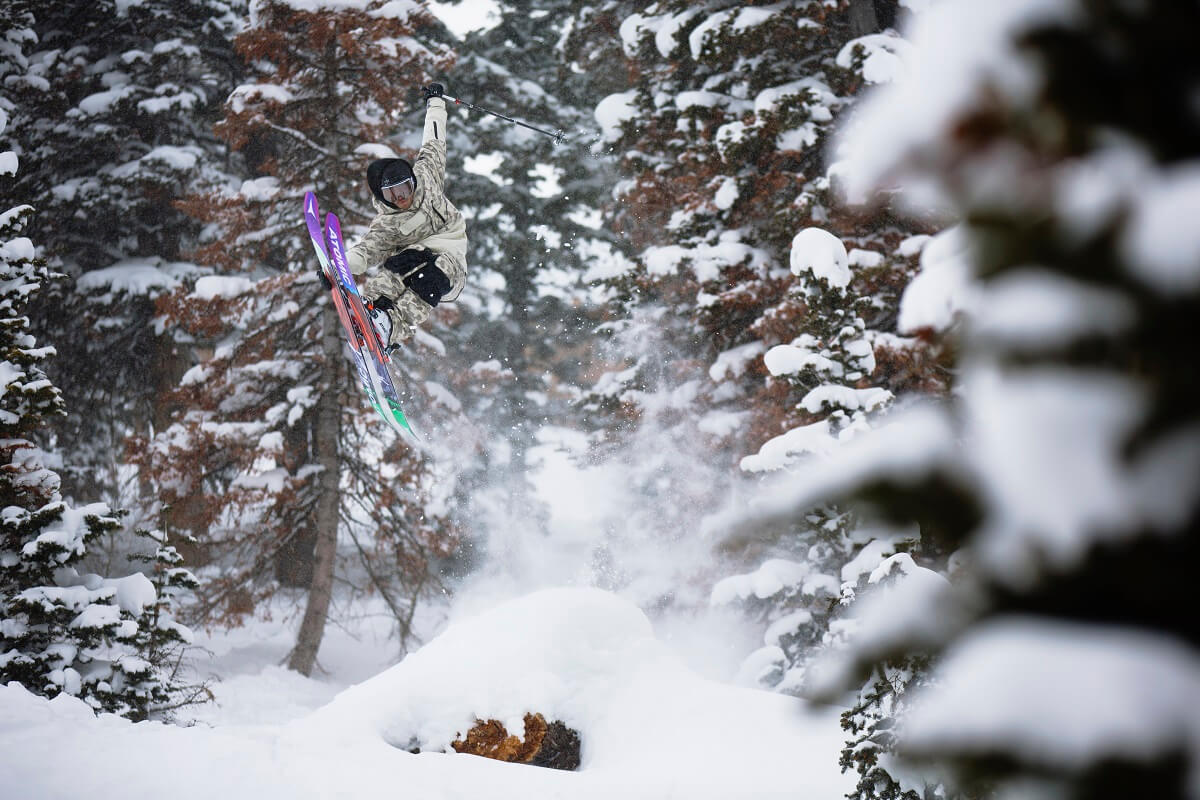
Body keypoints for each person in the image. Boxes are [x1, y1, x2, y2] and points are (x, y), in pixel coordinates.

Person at [346, 83, 468, 348]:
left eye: (405, 189)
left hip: (452, 262)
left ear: (413, 181)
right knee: (397, 268)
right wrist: (339, 269)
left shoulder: (427, 177)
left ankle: (390, 327)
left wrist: (435, 102)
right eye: (393, 195)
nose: (402, 198)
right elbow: (367, 250)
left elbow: (434, 138)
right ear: (382, 198)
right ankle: (373, 313)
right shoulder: (388, 223)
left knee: (431, 275)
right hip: (417, 253)